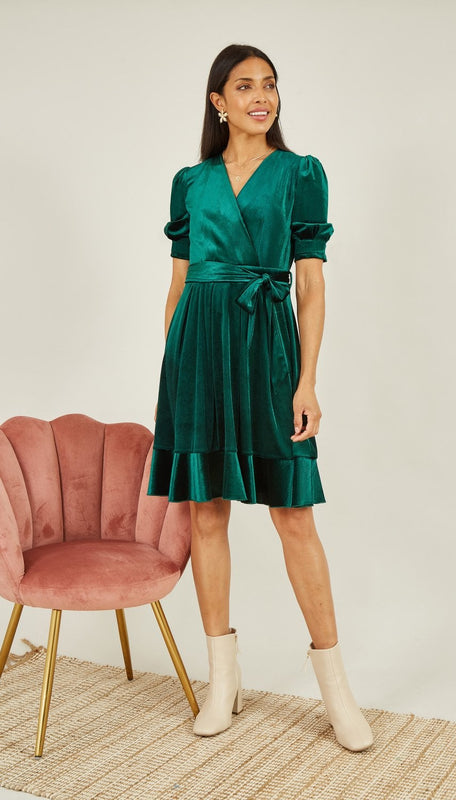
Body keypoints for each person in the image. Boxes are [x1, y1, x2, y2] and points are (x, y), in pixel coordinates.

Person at [148, 43, 373, 752]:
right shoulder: (190, 182)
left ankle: (336, 689)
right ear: (218, 102)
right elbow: (178, 286)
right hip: (197, 356)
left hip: (269, 352)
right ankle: (223, 679)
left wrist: (306, 380)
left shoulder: (300, 174)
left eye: (269, 84)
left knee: (294, 516)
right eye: (244, 86)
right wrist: (174, 371)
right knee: (206, 513)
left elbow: (311, 285)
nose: (261, 97)